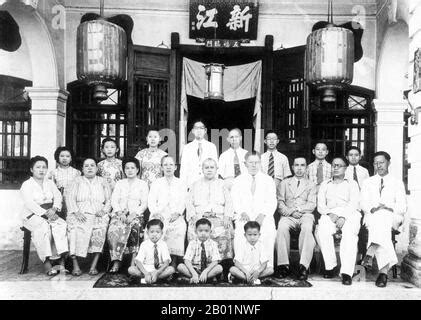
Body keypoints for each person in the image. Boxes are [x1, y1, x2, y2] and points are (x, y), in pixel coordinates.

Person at [360, 151, 407, 287]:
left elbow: (402, 206)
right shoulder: (368, 182)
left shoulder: (397, 182)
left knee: (382, 219)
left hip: (392, 216)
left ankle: (371, 251)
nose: (378, 165)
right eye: (376, 163)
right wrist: (374, 208)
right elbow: (362, 203)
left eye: (382, 162)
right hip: (372, 216)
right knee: (379, 222)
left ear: (388, 163)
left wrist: (386, 207)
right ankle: (383, 272)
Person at [20, 156, 68, 276]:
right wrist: (45, 214)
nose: (41, 170)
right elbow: (29, 203)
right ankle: (46, 262)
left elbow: (58, 196)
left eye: (44, 167)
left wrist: (54, 208)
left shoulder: (49, 183)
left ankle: (60, 261)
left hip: (50, 213)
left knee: (61, 225)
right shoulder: (27, 185)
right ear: (32, 169)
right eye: (38, 167)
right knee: (43, 227)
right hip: (32, 215)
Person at [316, 156, 361, 285]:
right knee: (322, 230)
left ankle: (346, 272)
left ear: (346, 168)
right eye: (333, 165)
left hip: (349, 213)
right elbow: (320, 205)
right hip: (330, 213)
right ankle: (330, 266)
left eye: (339, 165)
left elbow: (353, 203)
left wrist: (343, 217)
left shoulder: (352, 184)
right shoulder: (325, 184)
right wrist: (330, 214)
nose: (335, 168)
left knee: (350, 234)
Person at [186, 158, 235, 272]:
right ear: (202, 169)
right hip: (200, 217)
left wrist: (227, 216)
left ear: (216, 169)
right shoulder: (195, 184)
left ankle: (224, 268)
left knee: (226, 229)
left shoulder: (222, 184)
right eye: (206, 167)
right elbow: (188, 202)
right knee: (194, 229)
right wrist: (193, 216)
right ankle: (198, 267)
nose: (209, 170)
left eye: (212, 167)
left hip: (219, 217)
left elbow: (229, 202)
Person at [66, 157, 112, 276]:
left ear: (97, 168)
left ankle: (93, 265)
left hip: (98, 213)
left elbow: (109, 199)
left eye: (92, 165)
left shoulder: (103, 181)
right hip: (80, 213)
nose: (90, 168)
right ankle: (75, 265)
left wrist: (104, 210)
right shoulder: (76, 181)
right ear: (82, 169)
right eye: (86, 166)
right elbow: (70, 198)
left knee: (100, 230)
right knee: (74, 230)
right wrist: (76, 212)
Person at [231, 151, 277, 266]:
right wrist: (242, 212)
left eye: (256, 162)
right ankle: (242, 266)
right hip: (244, 215)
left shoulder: (268, 180)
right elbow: (234, 200)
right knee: (240, 232)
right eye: (250, 162)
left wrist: (263, 214)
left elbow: (272, 201)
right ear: (245, 164)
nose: (253, 165)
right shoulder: (238, 180)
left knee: (268, 231)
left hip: (263, 216)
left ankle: (266, 266)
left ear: (260, 163)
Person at [275, 157, 317, 280]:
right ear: (292, 167)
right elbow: (280, 203)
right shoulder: (284, 183)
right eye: (296, 165)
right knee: (281, 227)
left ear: (306, 168)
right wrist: (291, 212)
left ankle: (303, 266)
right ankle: (283, 265)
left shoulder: (311, 184)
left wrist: (297, 210)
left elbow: (312, 204)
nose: (299, 168)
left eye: (302, 165)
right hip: (288, 215)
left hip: (305, 214)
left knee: (307, 228)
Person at [107, 157, 149, 274]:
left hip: (136, 214)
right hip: (120, 214)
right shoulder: (120, 183)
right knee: (113, 230)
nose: (130, 170)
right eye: (127, 168)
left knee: (135, 227)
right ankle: (116, 261)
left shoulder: (142, 184)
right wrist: (120, 213)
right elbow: (114, 200)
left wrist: (134, 214)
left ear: (137, 170)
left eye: (132, 168)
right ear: (124, 170)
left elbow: (145, 203)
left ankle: (133, 261)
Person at [148, 156, 187, 266]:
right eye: (165, 165)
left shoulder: (181, 183)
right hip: (159, 214)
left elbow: (184, 200)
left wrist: (178, 213)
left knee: (179, 228)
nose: (168, 167)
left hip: (175, 214)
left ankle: (173, 261)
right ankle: (157, 261)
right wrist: (156, 213)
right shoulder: (156, 183)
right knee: (156, 228)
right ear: (161, 168)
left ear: (175, 167)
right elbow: (151, 200)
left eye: (171, 165)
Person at [128, 219, 175, 284]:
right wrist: (146, 273)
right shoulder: (144, 244)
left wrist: (157, 272)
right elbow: (138, 261)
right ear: (147, 233)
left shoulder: (163, 244)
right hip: (146, 269)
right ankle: (153, 279)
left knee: (171, 269)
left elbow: (166, 262)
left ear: (162, 233)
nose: (154, 234)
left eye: (157, 232)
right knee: (131, 269)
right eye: (152, 232)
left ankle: (146, 280)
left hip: (158, 270)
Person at [177, 218, 223, 284]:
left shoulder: (213, 244)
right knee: (180, 266)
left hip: (208, 270)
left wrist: (206, 271)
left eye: (206, 231)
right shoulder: (192, 243)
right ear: (196, 231)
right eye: (200, 231)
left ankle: (195, 280)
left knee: (219, 268)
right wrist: (194, 273)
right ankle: (202, 279)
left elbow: (215, 261)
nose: (203, 233)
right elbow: (187, 260)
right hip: (194, 269)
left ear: (211, 232)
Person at [179, 120, 218, 189]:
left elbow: (215, 167)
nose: (199, 130)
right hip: (191, 185)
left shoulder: (211, 147)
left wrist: (214, 185)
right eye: (196, 128)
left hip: (208, 184)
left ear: (205, 130)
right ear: (193, 131)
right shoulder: (187, 148)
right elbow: (183, 169)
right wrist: (183, 187)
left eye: (201, 128)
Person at [48, 147, 81, 215]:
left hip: (73, 201)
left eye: (67, 156)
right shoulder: (53, 173)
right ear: (57, 157)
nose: (64, 158)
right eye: (62, 156)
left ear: (71, 158)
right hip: (58, 201)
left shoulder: (77, 173)